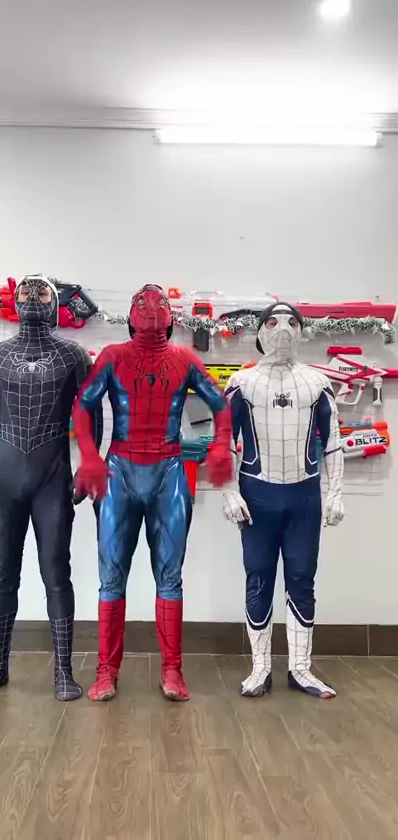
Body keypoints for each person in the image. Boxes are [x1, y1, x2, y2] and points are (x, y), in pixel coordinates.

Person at [72, 284, 233, 702]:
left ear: (170, 317)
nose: (150, 306)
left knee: (169, 575)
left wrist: (221, 445)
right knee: (112, 575)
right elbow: (83, 405)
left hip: (168, 471)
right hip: (120, 471)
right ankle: (106, 670)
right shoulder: (113, 357)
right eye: (142, 303)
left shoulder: (183, 358)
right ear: (130, 316)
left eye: (158, 302)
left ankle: (172, 670)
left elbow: (220, 404)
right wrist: (88, 455)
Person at [0, 275, 102, 701]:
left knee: (56, 573)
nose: (31, 297)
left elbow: (89, 413)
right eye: (25, 291)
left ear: (56, 303)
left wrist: (88, 465)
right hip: (5, 479)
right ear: (14, 300)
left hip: (51, 479)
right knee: (3, 574)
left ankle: (64, 672)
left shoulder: (72, 355)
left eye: (41, 292)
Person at [223, 302, 344, 699]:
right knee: (258, 577)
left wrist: (336, 492)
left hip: (304, 496)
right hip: (256, 495)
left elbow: (333, 442)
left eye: (292, 322)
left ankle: (300, 668)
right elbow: (223, 441)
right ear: (260, 331)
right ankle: (260, 668)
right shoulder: (242, 383)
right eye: (273, 322)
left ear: (302, 332)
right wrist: (228, 490)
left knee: (302, 578)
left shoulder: (317, 383)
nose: (283, 329)